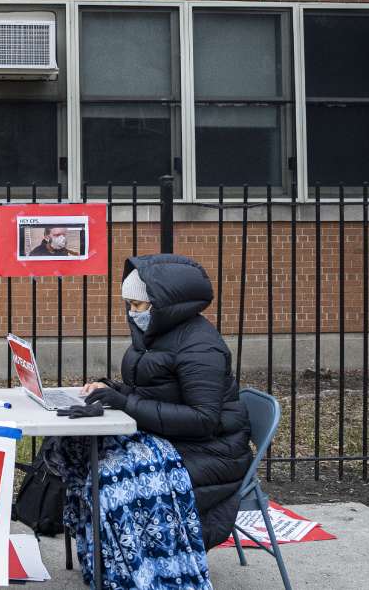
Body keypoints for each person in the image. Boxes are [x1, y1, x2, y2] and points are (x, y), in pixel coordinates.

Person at [45, 253, 252, 590]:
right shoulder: (160, 334)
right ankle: (105, 562)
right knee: (74, 446)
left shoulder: (201, 347)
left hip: (209, 452)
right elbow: (158, 392)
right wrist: (112, 389)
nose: (132, 313)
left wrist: (126, 402)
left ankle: (139, 575)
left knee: (111, 480)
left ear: (166, 305)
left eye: (139, 305)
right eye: (129, 304)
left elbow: (203, 419)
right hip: (171, 438)